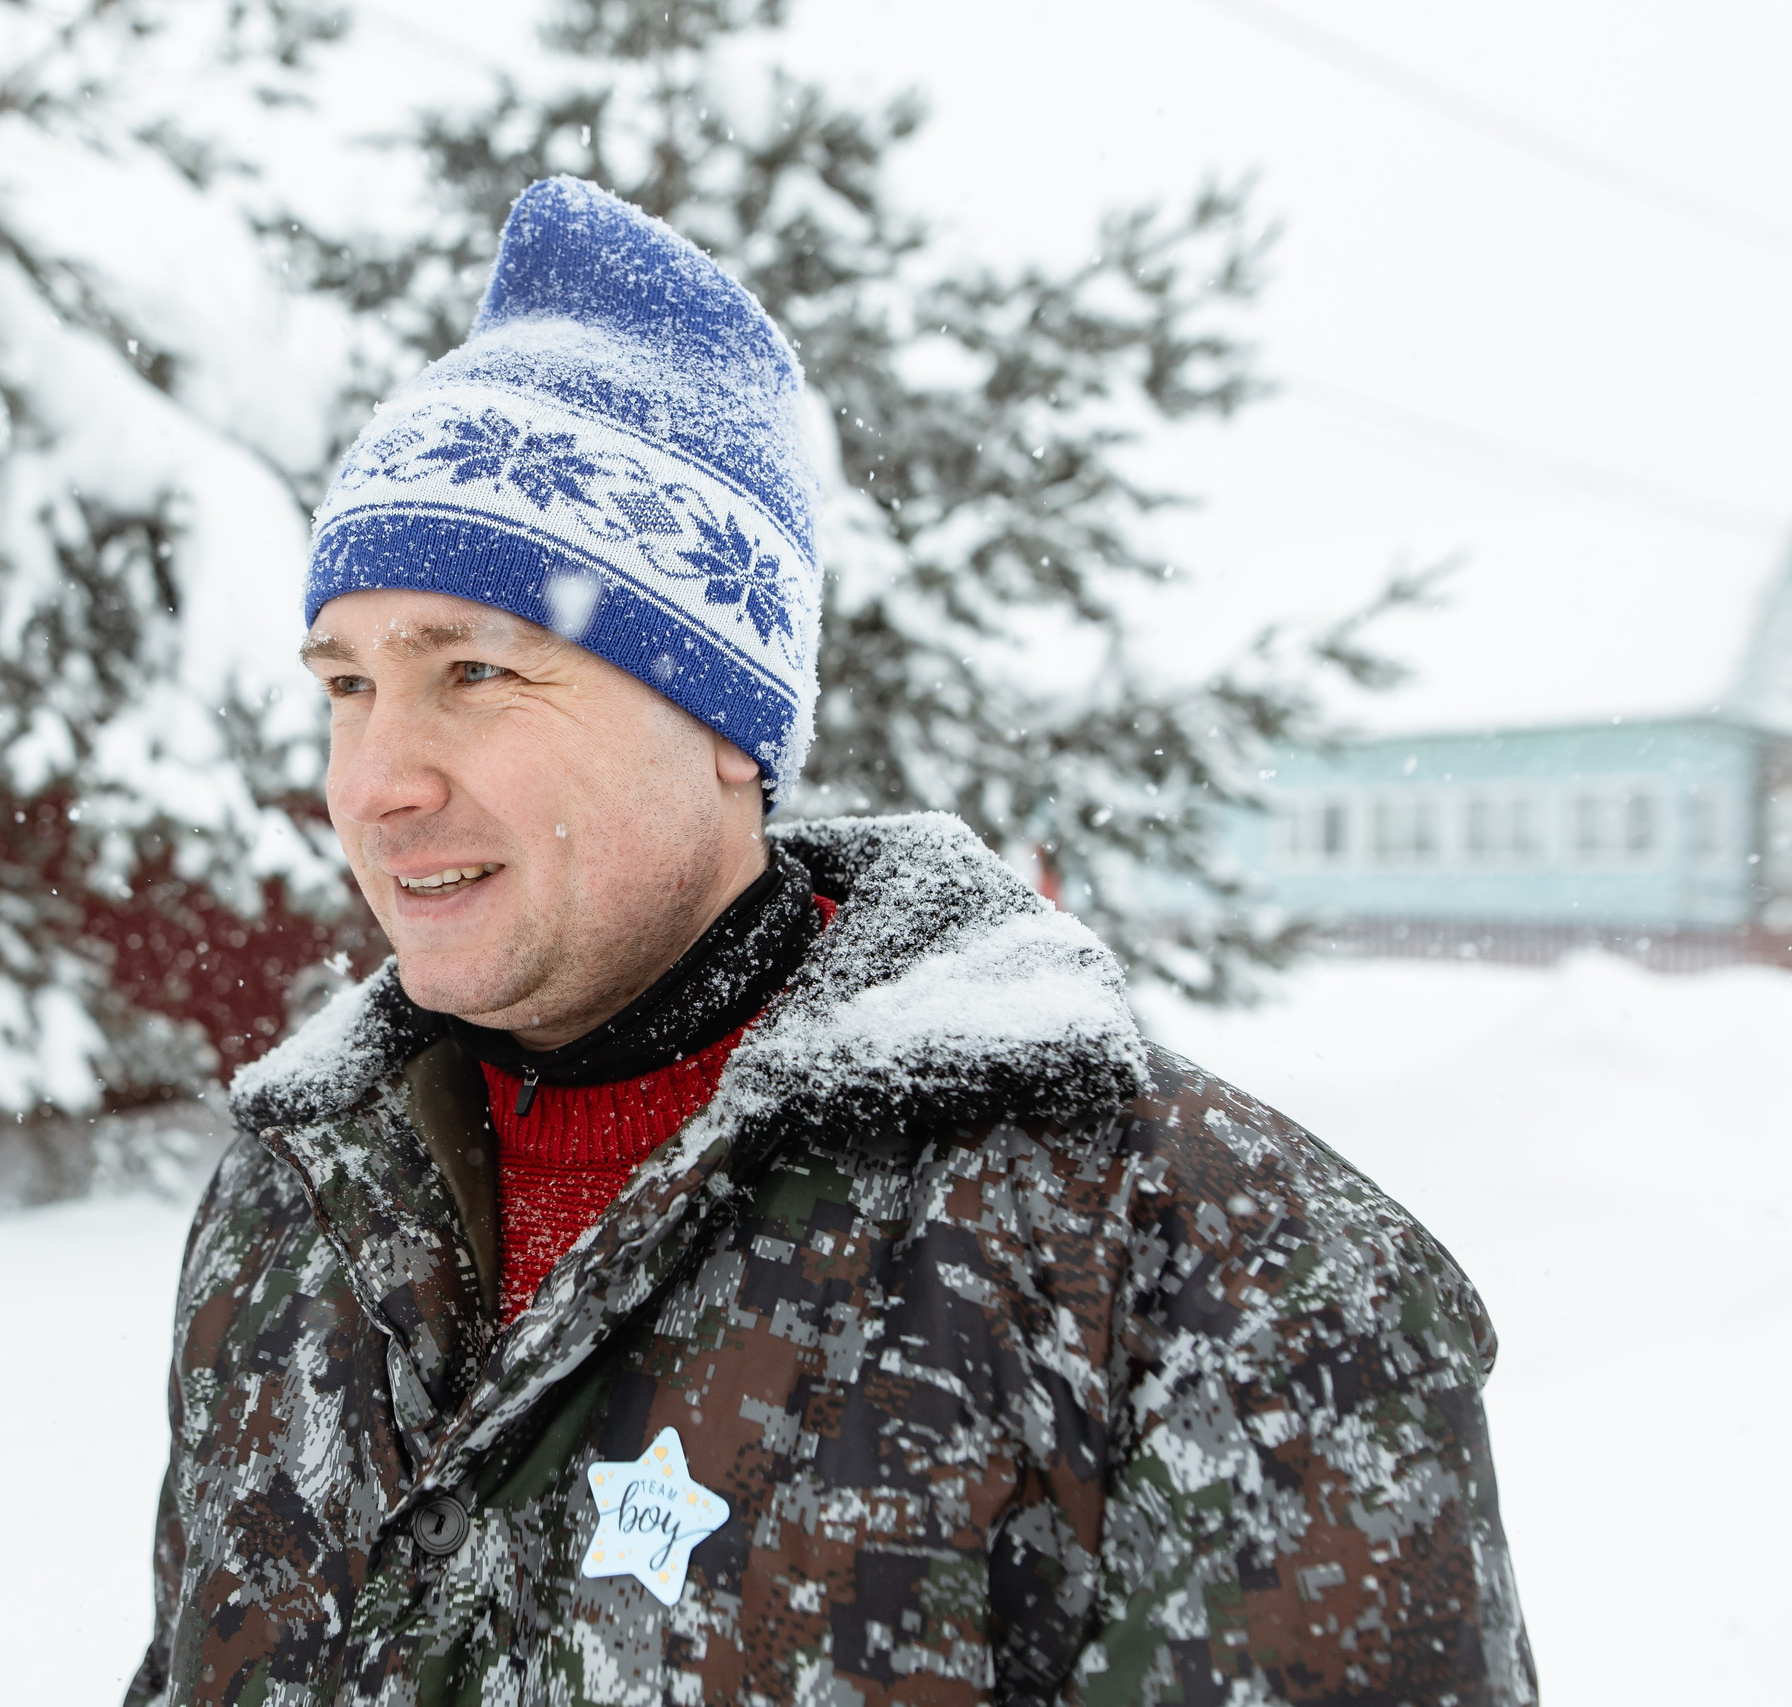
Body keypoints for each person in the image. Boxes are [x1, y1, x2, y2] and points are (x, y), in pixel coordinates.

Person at [127, 177, 1534, 1706]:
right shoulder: (300, 1202)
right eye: (347, 687)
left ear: (725, 721)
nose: (375, 782)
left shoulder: (1191, 1263)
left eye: (475, 672)